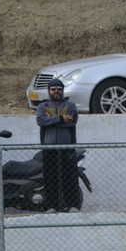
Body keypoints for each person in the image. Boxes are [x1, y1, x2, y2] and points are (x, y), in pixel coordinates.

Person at [34, 78, 81, 212]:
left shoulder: (70, 105)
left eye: (59, 89)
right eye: (53, 89)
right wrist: (61, 118)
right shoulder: (42, 106)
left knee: (69, 177)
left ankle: (72, 205)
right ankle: (51, 206)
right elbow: (40, 121)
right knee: (50, 178)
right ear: (49, 91)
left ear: (62, 91)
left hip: (67, 148)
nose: (56, 91)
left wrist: (51, 118)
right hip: (49, 148)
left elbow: (72, 121)